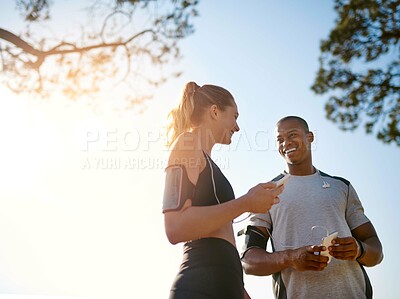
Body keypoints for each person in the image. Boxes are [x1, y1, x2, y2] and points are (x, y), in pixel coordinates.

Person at [162, 81, 283, 299]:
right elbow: (175, 227)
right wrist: (246, 203)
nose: (237, 127)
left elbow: (222, 235)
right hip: (199, 287)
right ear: (215, 111)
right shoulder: (186, 143)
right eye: (234, 116)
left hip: (226, 284)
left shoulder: (210, 164)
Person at [241, 116, 383, 299]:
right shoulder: (267, 192)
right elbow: (249, 261)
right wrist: (291, 257)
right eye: (280, 139)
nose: (286, 143)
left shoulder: (342, 186)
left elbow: (376, 251)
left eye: (292, 135)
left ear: (310, 137)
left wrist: (358, 249)